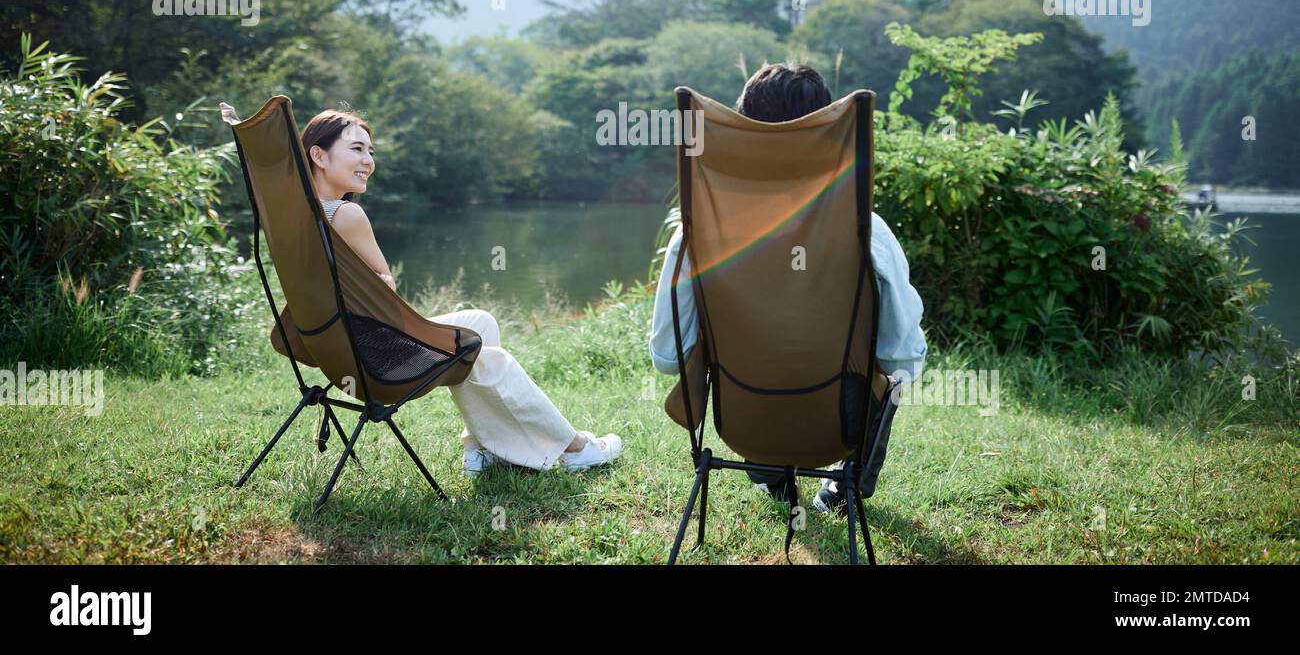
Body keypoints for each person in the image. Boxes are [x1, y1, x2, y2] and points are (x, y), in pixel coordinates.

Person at [222, 101, 621, 476]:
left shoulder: (293, 221)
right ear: (319, 156)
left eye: (371, 152)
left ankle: (481, 448)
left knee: (479, 322)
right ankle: (576, 447)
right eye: (357, 149)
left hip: (333, 350)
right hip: (377, 360)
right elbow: (387, 294)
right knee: (486, 355)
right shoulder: (346, 215)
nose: (368, 162)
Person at [646, 64, 927, 513]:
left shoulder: (695, 235)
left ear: (742, 135)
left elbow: (667, 358)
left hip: (744, 424)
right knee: (891, 372)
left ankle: (772, 478)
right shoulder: (866, 232)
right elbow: (903, 355)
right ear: (825, 141)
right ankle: (845, 487)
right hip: (839, 424)